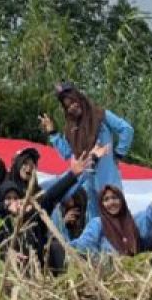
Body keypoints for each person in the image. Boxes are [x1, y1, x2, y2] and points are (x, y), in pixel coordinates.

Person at [41, 82, 133, 220]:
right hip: (88, 183)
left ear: (80, 98)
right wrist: (53, 133)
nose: (72, 107)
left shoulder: (100, 115)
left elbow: (126, 129)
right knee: (95, 221)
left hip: (108, 180)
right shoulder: (70, 129)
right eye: (67, 106)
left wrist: (119, 154)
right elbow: (66, 153)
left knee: (115, 217)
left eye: (73, 102)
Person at [68, 185, 152, 257]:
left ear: (122, 200)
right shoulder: (98, 223)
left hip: (134, 269)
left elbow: (148, 217)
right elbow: (84, 245)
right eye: (106, 199)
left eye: (115, 198)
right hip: (108, 272)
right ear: (101, 204)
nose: (111, 202)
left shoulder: (132, 221)